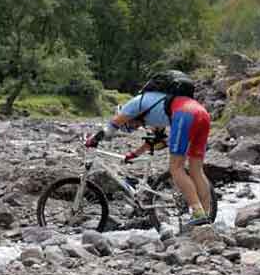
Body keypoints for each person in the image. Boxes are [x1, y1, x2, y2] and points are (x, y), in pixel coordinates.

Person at [85, 90, 213, 228]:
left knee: (176, 168)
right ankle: (206, 217)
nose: (136, 127)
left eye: (132, 126)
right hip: (202, 113)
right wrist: (134, 154)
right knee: (196, 170)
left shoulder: (132, 105)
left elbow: (111, 127)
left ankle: (197, 212)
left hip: (185, 115)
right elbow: (156, 140)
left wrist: (93, 139)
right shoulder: (152, 109)